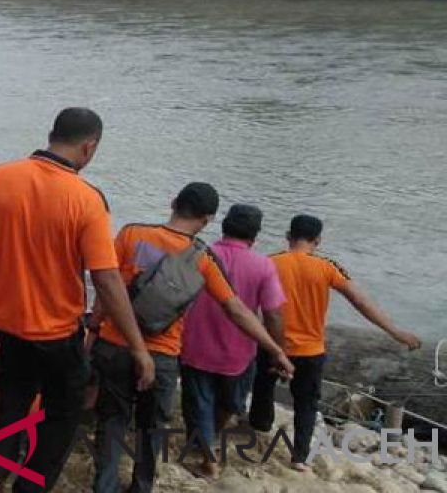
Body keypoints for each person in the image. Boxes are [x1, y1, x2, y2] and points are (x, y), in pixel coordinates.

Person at [0, 108, 155, 493]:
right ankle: (30, 485)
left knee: (16, 392)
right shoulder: (86, 199)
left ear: (51, 134)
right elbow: (105, 278)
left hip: (5, 320)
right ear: (89, 148)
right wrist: (138, 347)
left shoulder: (0, 176)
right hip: (56, 331)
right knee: (62, 412)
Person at [90, 183, 294, 493]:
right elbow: (235, 309)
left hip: (115, 345)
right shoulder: (203, 259)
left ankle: (103, 487)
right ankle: (141, 487)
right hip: (162, 354)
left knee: (112, 419)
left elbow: (107, 286)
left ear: (173, 202)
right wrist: (274, 349)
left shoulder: (132, 234)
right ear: (209, 219)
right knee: (152, 427)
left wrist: (94, 326)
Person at [249, 215, 421, 471]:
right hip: (310, 351)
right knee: (306, 403)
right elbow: (360, 302)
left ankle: (259, 428)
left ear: (288, 236)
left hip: (273, 345)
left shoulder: (269, 262)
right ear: (317, 240)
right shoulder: (327, 266)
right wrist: (395, 332)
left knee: (263, 388)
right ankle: (299, 457)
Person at [179, 204, 286, 478]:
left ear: (223, 226)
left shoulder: (198, 254)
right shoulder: (264, 265)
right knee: (229, 403)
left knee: (199, 402)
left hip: (195, 345)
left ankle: (205, 448)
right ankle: (209, 449)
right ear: (255, 236)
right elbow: (273, 314)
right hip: (240, 353)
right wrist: (277, 350)